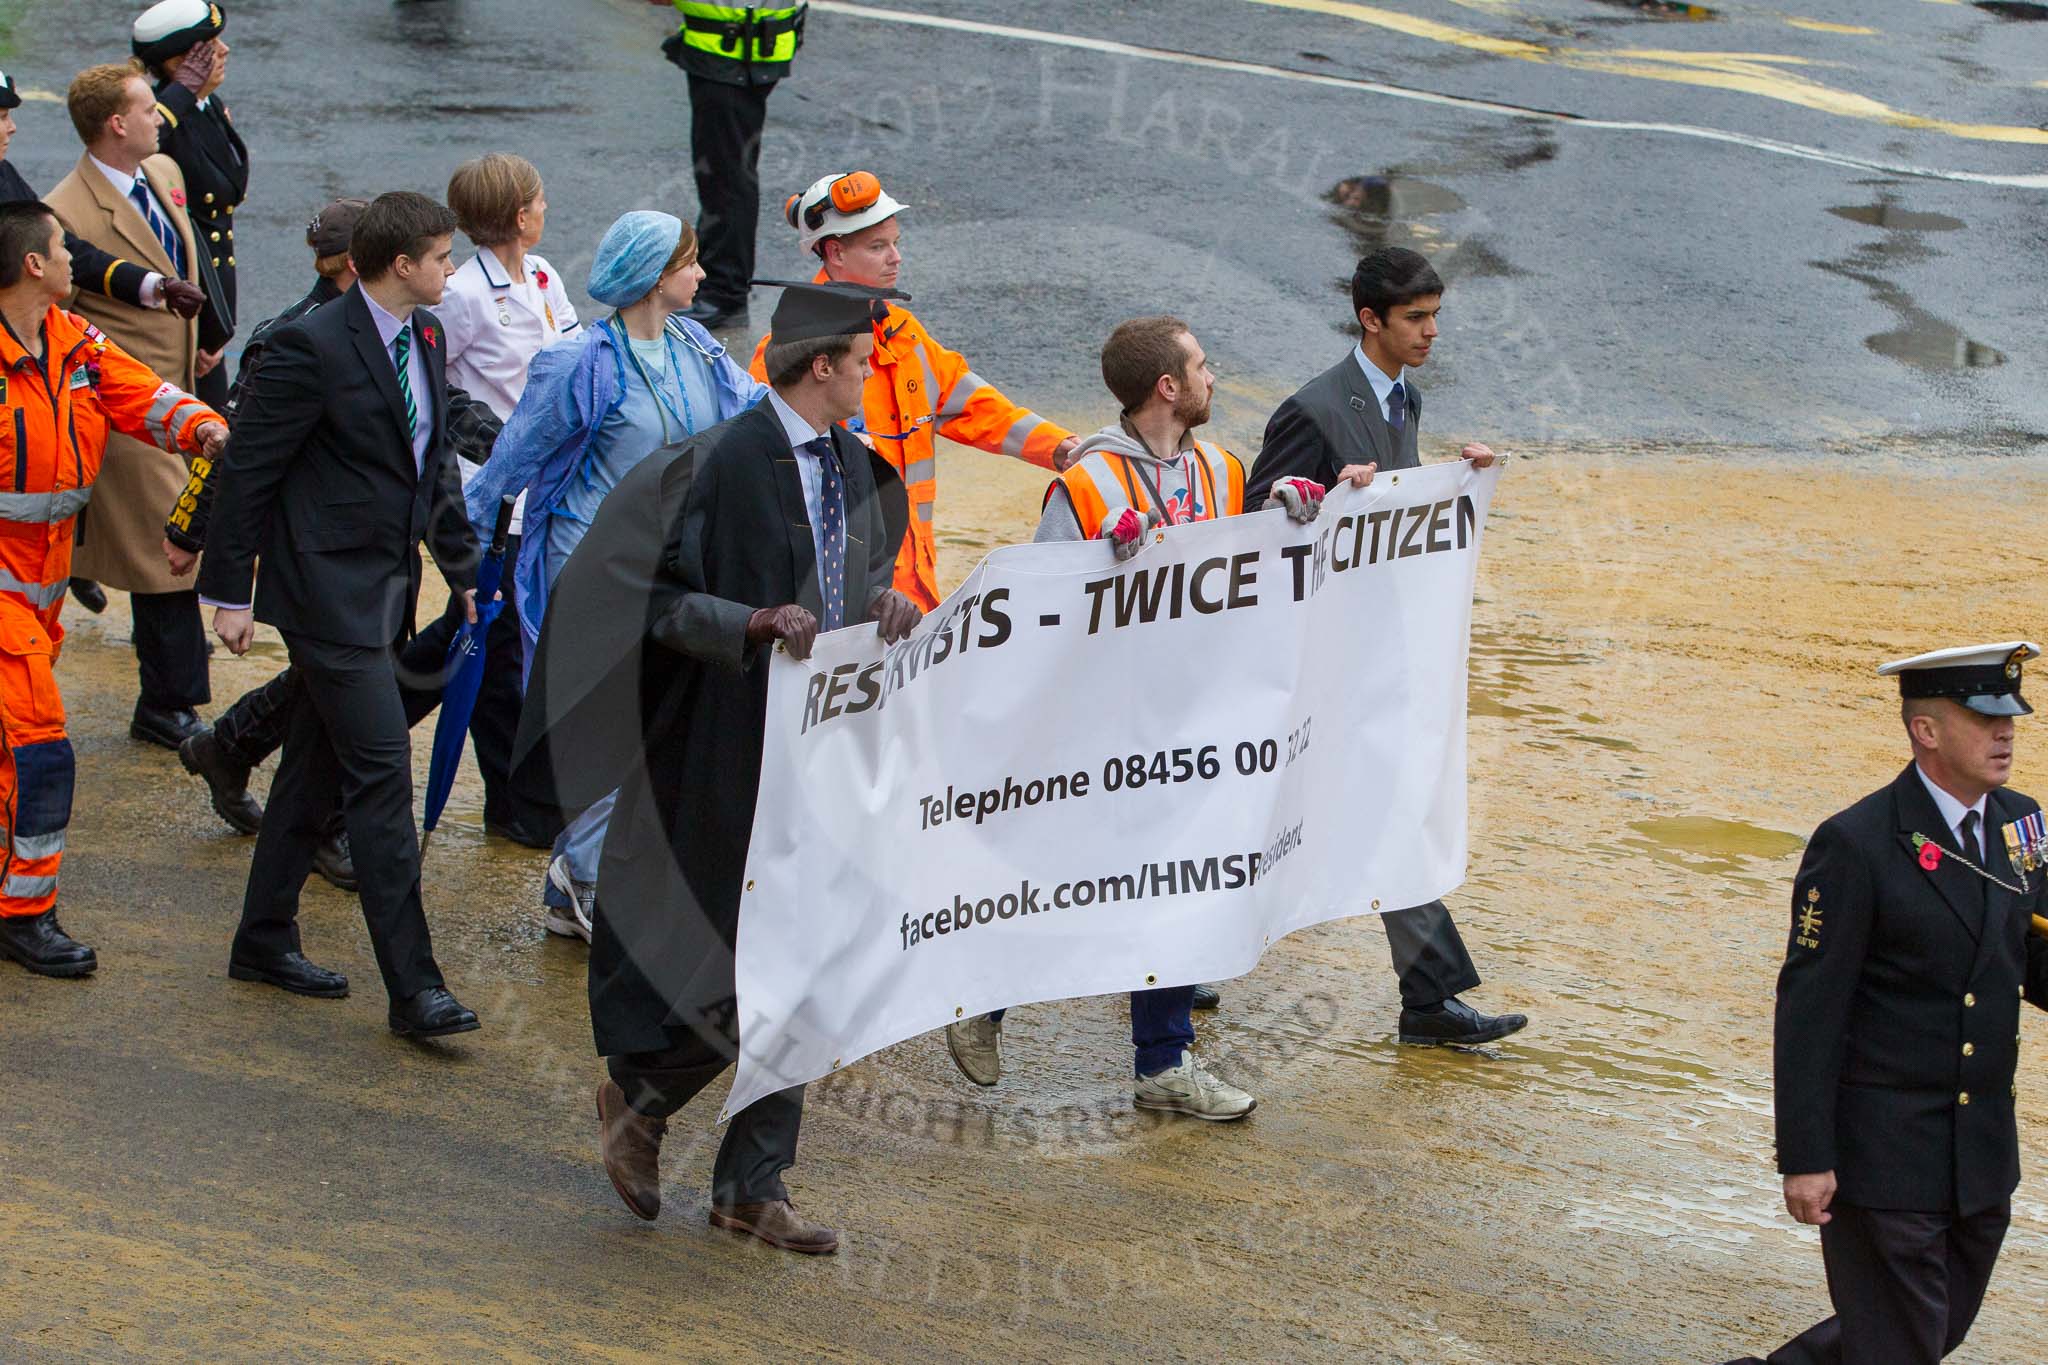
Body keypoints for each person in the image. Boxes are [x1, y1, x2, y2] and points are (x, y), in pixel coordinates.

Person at [514, 280, 920, 1252]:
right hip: (717, 743)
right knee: (732, 957)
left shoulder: (862, 472)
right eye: (864, 360)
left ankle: (751, 1183)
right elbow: (644, 600)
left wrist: (887, 612)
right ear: (822, 366)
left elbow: (854, 591)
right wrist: (747, 621)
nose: (876, 374)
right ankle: (641, 1100)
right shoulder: (710, 465)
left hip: (824, 749)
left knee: (815, 963)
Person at [940, 315, 1327, 1115]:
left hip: (1194, 717)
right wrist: (1095, 565)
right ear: (1169, 387)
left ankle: (1163, 1064)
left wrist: (1284, 509)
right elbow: (1033, 604)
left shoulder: (1222, 468)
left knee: (1178, 877)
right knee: (1067, 869)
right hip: (1103, 723)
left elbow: (1234, 553)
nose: (1214, 377)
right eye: (1202, 365)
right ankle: (981, 1000)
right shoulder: (1085, 483)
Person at [195, 191, 483, 1039]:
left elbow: (432, 467)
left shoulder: (425, 335)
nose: (450, 271)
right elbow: (249, 472)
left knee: (313, 768)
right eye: (441, 258)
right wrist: (229, 592)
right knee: (381, 772)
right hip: (322, 593)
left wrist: (460, 571)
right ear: (402, 266)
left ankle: (262, 937)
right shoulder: (307, 346)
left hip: (386, 586)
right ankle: (414, 987)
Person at [1727, 643, 2048, 1365]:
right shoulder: (1857, 844)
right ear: (1925, 731)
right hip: (1883, 1153)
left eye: (2011, 719)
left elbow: (2032, 955)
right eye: (1984, 718)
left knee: (1923, 1333)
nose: (2007, 733)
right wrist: (1805, 1155)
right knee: (1902, 1343)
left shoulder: (2021, 825)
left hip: (1980, 1155)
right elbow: (1810, 1009)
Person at [1245, 245, 1525, 1049]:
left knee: (1392, 808)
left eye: (1435, 315)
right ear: (1371, 320)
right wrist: (1322, 500)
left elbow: (1398, 515)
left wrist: (1456, 480)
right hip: (1312, 663)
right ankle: (1178, 961)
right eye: (1416, 318)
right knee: (1266, 813)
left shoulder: (1407, 400)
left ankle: (1429, 999)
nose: (1432, 331)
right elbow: (1262, 523)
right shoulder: (1313, 409)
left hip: (1371, 657)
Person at [468, 210, 763, 942]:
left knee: (657, 720)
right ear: (658, 277)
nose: (703, 274)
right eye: (691, 263)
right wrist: (469, 567)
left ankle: (582, 875)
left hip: (672, 568)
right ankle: (589, 880)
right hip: (590, 568)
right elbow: (508, 468)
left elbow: (756, 412)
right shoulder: (577, 363)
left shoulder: (696, 344)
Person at [0, 201, 224, 978]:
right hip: (5, 599)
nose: (75, 259)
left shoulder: (69, 341)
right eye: (64, 249)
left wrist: (202, 428)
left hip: (42, 590)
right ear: (34, 265)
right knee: (39, 747)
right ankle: (26, 914)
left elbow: (137, 392)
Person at [749, 171, 1079, 611]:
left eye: (895, 242)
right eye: (877, 246)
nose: (896, 258)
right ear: (834, 252)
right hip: (841, 598)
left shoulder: (905, 336)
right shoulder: (791, 353)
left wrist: (1060, 448)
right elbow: (766, 480)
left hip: (912, 590)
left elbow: (980, 409)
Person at [42, 61, 214, 753]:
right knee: (164, 555)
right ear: (116, 123)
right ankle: (168, 704)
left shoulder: (163, 174)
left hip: (181, 393)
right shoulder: (66, 214)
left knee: (166, 550)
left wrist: (210, 344)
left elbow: (195, 260)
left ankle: (168, 698)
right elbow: (58, 326)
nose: (158, 118)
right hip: (129, 415)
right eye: (147, 108)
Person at [433, 151, 580, 848]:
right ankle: (511, 799)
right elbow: (439, 388)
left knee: (506, 645)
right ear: (521, 216)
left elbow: (575, 359)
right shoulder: (461, 295)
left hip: (547, 494)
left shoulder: (544, 277)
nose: (548, 208)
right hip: (493, 504)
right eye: (542, 198)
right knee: (496, 658)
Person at [644, 0, 808, 329]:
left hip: (732, 49)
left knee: (727, 179)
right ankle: (716, 284)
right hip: (740, 43)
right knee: (725, 175)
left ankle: (724, 293)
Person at [132, 0, 245, 411]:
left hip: (215, 306)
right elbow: (138, 151)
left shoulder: (206, 107)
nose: (225, 50)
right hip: (191, 305)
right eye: (210, 45)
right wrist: (205, 330)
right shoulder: (164, 121)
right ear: (180, 63)